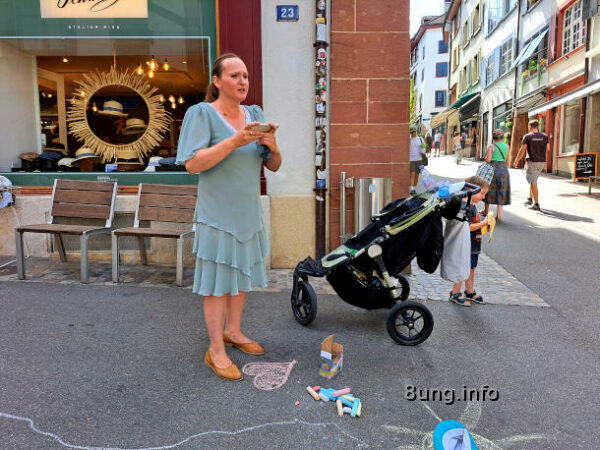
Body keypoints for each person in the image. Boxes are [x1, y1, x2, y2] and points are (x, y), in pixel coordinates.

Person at [176, 53, 282, 381]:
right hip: (216, 216)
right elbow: (192, 164)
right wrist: (235, 141)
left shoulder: (255, 115)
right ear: (217, 81)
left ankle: (233, 333)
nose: (242, 81)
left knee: (240, 280)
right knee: (217, 286)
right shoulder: (202, 114)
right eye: (234, 75)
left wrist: (273, 145)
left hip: (247, 215)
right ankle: (215, 350)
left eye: (246, 75)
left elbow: (274, 166)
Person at [449, 175, 490, 306]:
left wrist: (485, 227)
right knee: (463, 269)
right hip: (465, 245)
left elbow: (474, 224)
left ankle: (469, 291)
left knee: (471, 268)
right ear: (471, 190)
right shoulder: (463, 206)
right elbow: (465, 226)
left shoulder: (472, 205)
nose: (483, 198)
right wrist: (483, 224)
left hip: (474, 245)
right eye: (482, 194)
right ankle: (455, 293)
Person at [513, 120, 549, 211]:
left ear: (530, 126)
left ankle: (536, 204)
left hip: (533, 162)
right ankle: (530, 198)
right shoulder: (545, 136)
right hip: (542, 162)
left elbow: (522, 150)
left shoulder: (527, 136)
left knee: (533, 182)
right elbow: (548, 149)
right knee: (534, 180)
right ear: (538, 126)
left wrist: (516, 161)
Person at [481, 129, 511, 221]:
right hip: (503, 169)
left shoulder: (491, 146)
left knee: (488, 189)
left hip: (492, 169)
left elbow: (488, 159)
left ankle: (486, 211)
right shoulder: (506, 146)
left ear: (493, 137)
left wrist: (486, 158)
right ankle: (498, 216)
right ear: (502, 137)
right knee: (501, 190)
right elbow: (508, 161)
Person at [409, 128, 424, 194]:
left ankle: (414, 188)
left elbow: (423, 147)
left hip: (419, 159)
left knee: (417, 175)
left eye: (413, 132)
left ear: (416, 132)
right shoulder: (409, 140)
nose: (412, 134)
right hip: (411, 159)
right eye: (411, 133)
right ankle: (412, 189)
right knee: (412, 174)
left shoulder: (420, 139)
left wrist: (423, 151)